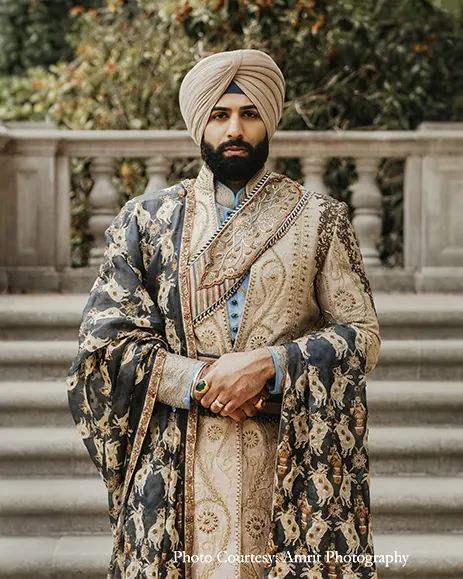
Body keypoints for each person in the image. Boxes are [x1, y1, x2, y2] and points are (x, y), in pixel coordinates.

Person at [67, 49, 381, 579]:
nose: (234, 128)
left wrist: (270, 365)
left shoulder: (320, 219)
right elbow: (106, 345)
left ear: (268, 121)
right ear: (200, 125)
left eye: (249, 113)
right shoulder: (147, 220)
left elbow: (362, 334)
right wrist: (201, 380)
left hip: (289, 466)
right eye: (220, 114)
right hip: (172, 471)